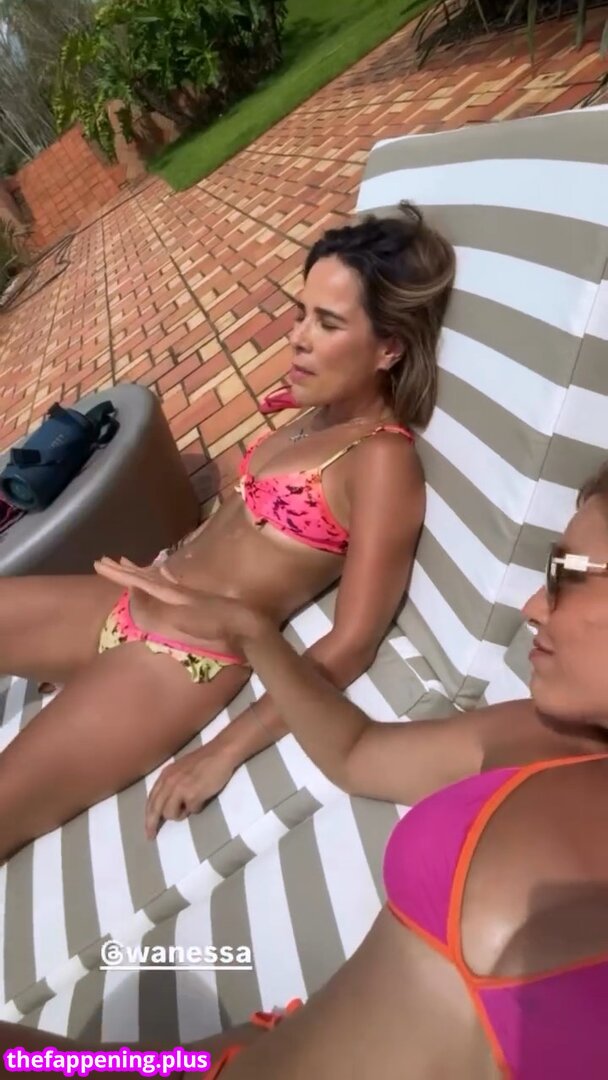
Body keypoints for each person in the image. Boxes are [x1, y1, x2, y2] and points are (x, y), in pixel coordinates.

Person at [29, 459, 607, 1078]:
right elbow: (358, 752)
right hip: (238, 1050)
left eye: (567, 575)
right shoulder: (549, 735)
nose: (532, 607)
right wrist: (251, 633)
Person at [0, 203, 455, 862]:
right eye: (300, 313)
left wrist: (224, 750)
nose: (297, 338)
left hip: (182, 656)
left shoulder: (381, 461)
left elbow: (352, 644)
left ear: (390, 348)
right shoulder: (315, 416)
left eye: (327, 323)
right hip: (133, 594)